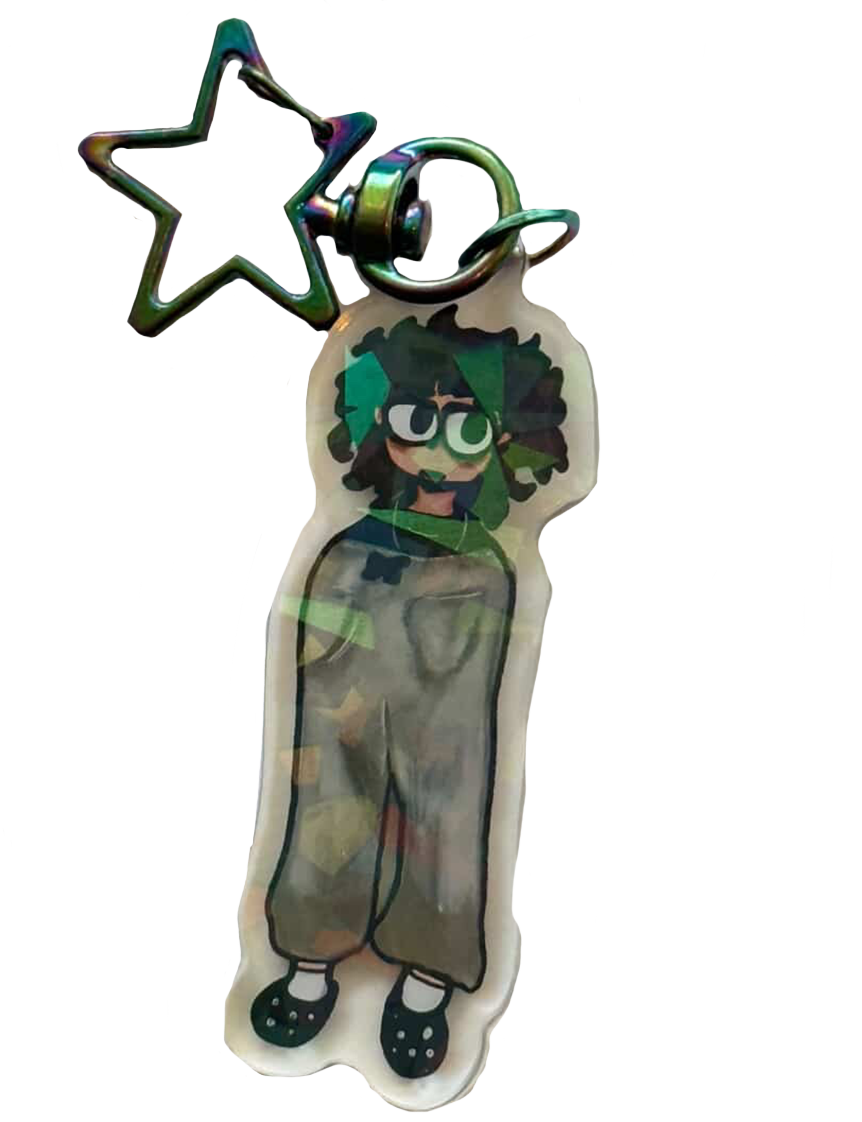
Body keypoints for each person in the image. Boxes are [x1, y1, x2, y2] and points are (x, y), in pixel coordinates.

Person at [250, 304, 569, 1079]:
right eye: (413, 421)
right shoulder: (342, 549)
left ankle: (427, 982)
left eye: (465, 428)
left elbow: (469, 701)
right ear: (376, 428)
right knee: (325, 795)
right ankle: (308, 963)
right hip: (344, 696)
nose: (436, 449)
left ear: (502, 441)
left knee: (448, 809)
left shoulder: (488, 569)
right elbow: (316, 663)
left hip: (444, 708)